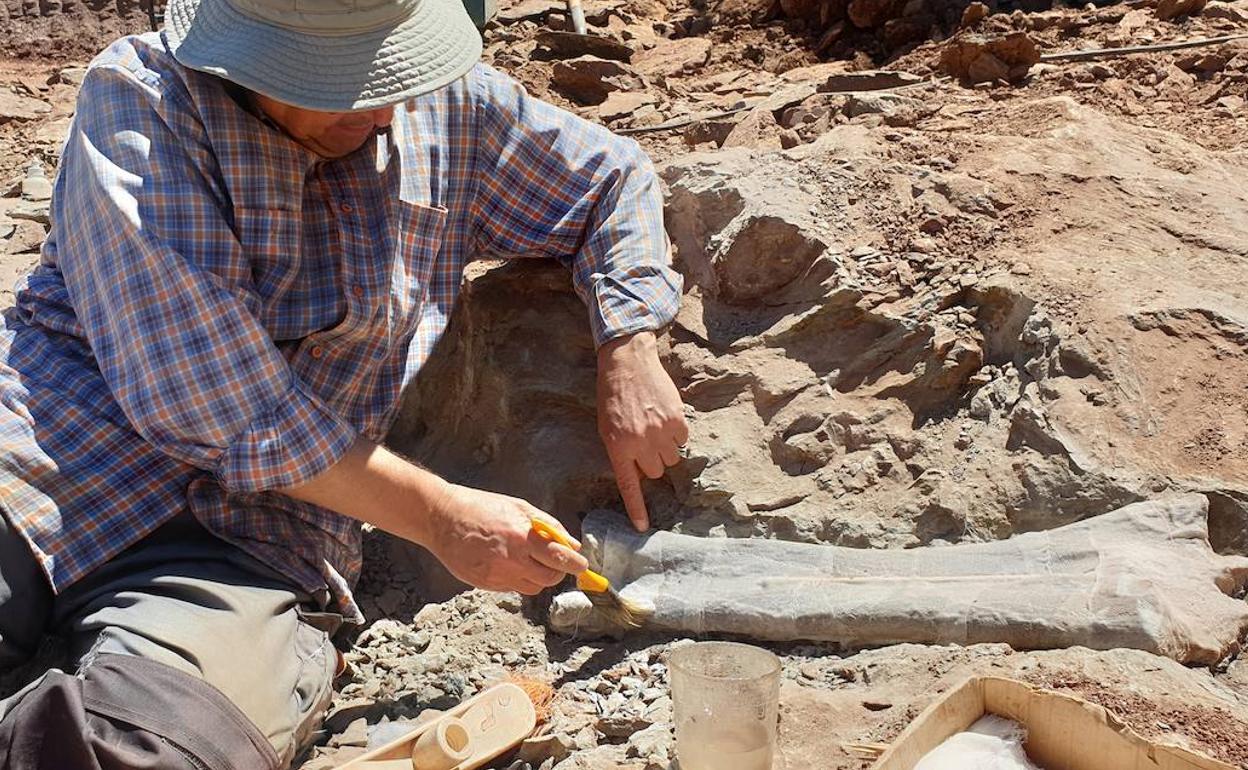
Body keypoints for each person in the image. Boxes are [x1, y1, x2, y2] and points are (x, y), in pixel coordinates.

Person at [0, 0, 687, 764]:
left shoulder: (450, 111)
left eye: (392, 70)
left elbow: (612, 178)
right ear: (246, 56)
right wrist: (442, 518)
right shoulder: (143, 99)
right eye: (345, 84)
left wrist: (628, 341)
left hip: (248, 541)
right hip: (52, 461)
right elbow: (222, 406)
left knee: (152, 748)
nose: (389, 111)